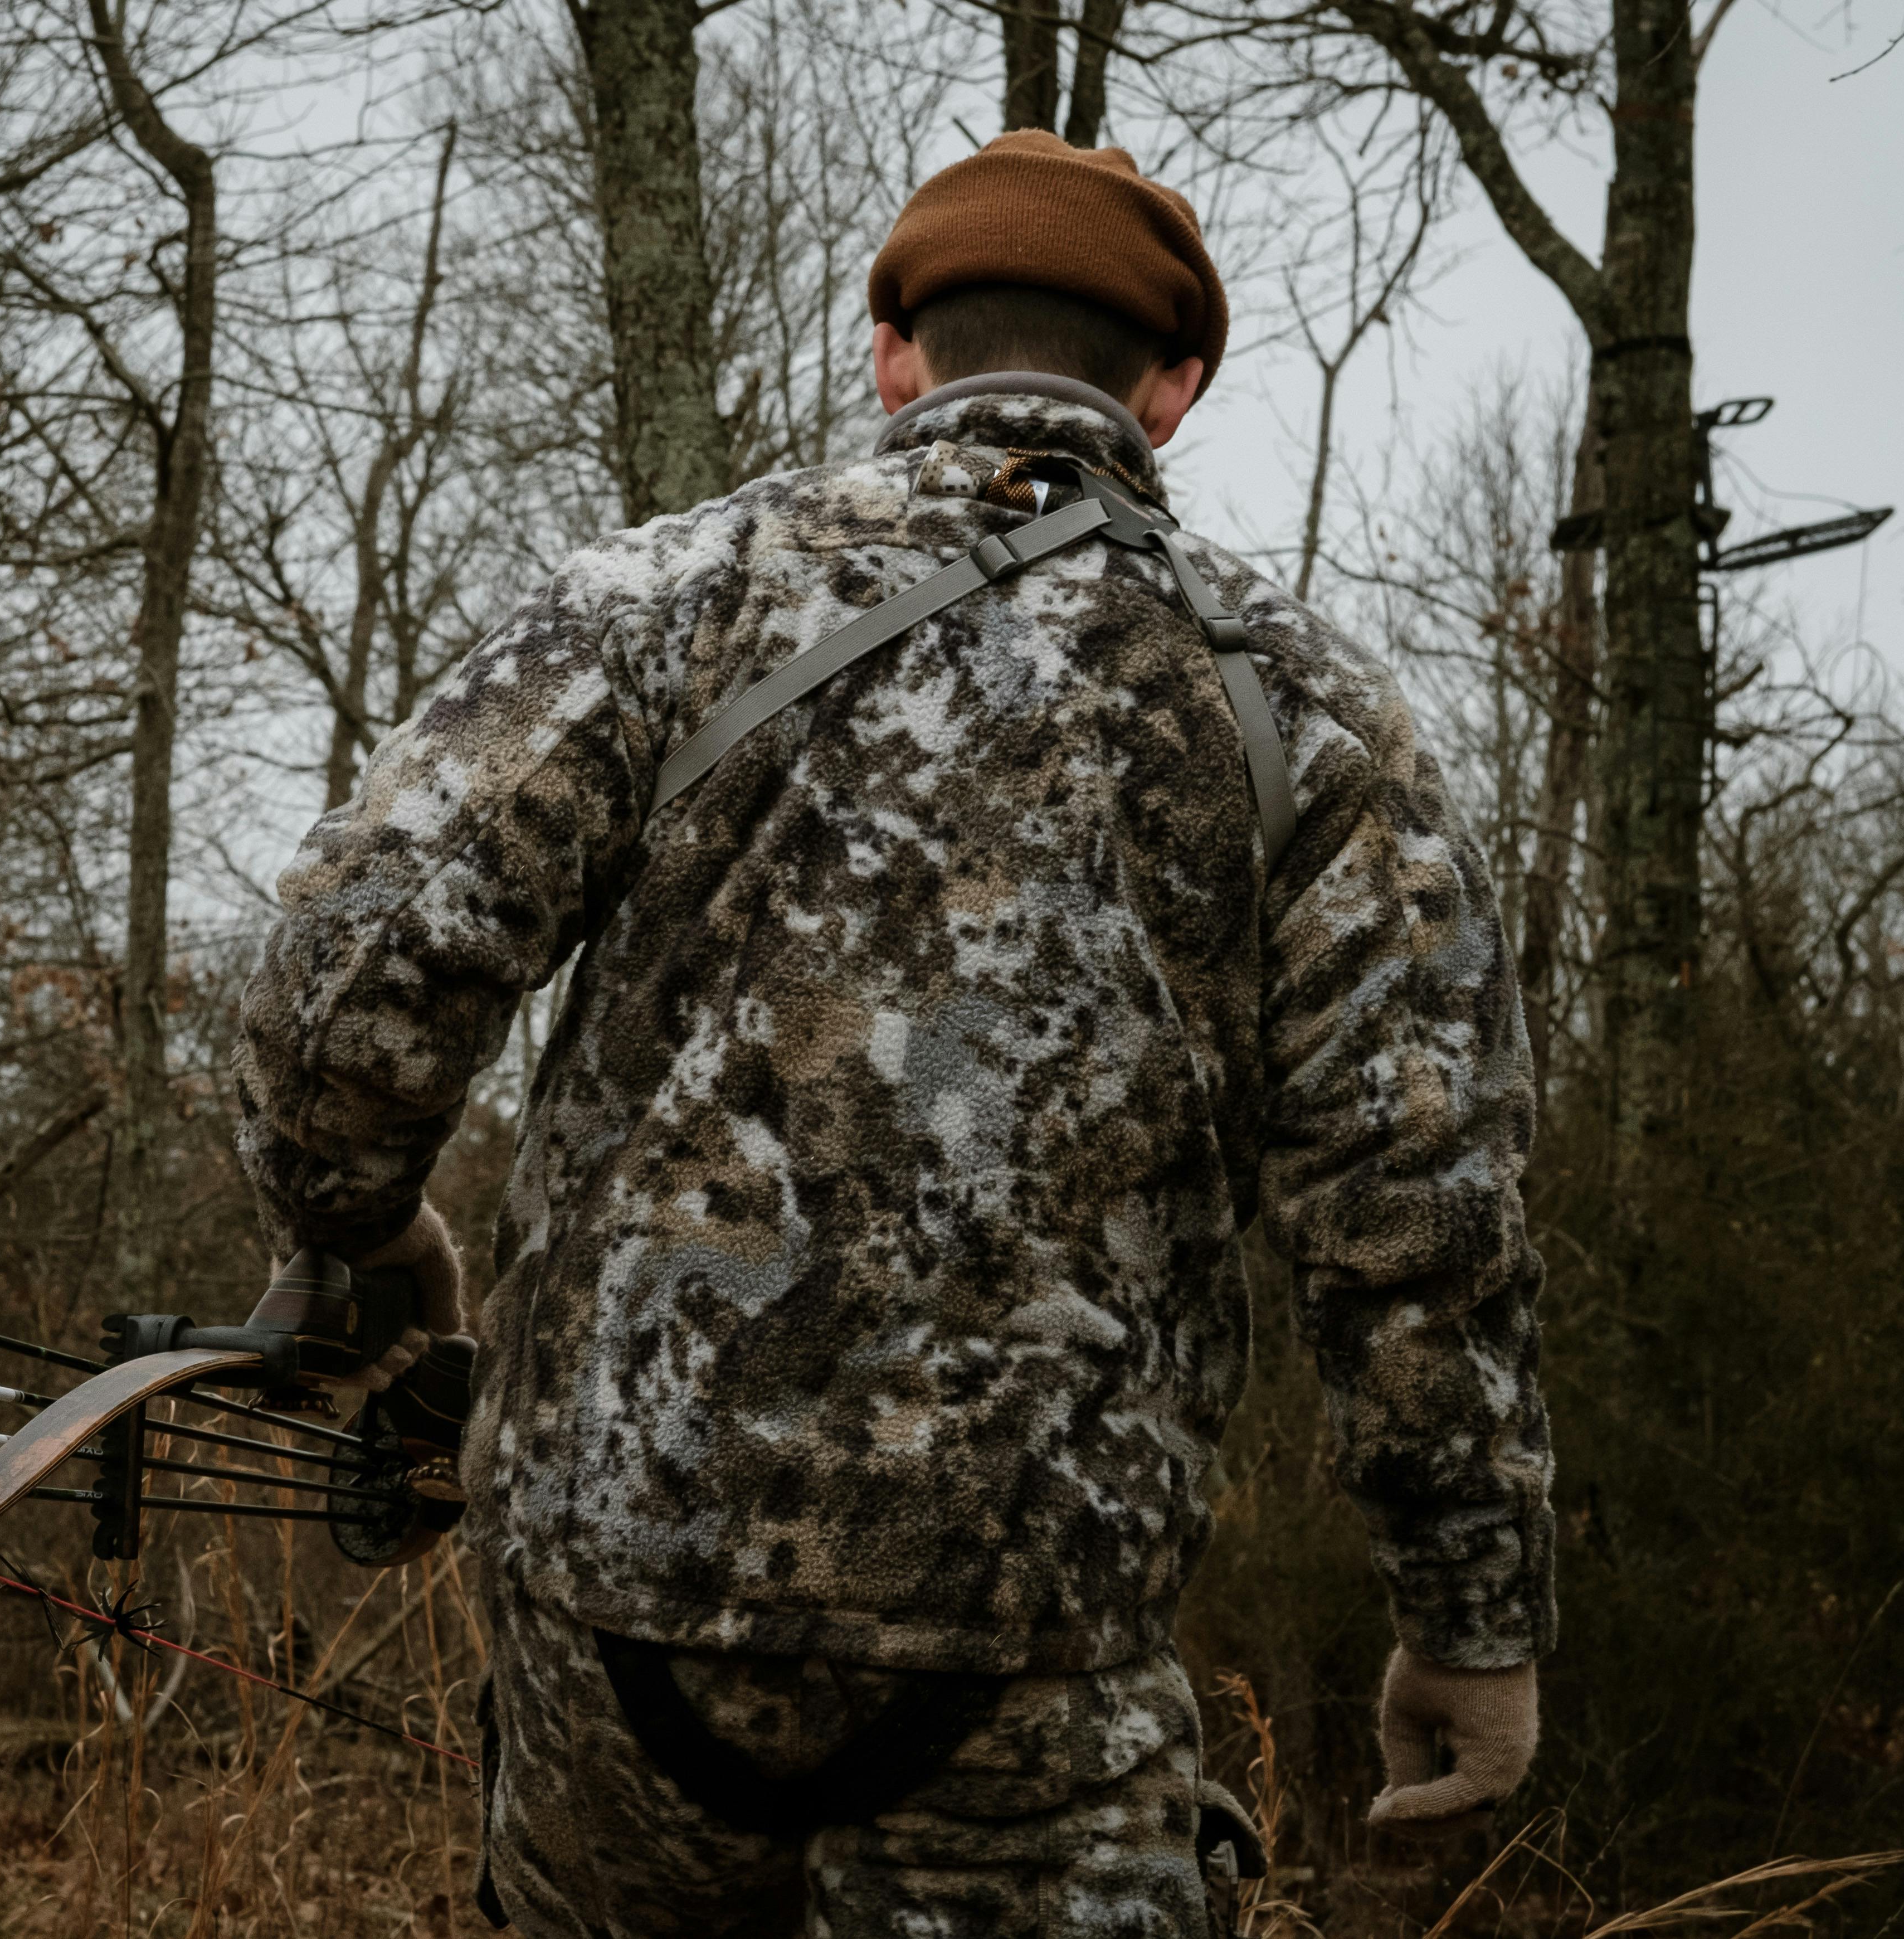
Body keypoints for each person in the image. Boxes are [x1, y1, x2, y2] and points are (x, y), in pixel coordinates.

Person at [236, 129, 1554, 1938]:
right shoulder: (1300, 710)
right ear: (1169, 391)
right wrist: (1468, 1610)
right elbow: (1420, 1214)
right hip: (1033, 1646)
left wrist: (362, 1226)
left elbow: (340, 984)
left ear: (894, 355)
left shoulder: (663, 599)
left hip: (618, 1612)